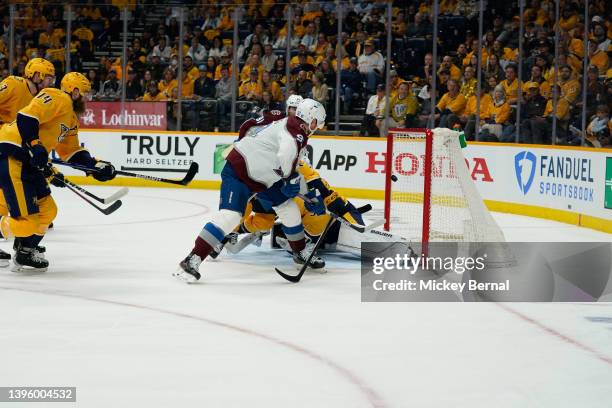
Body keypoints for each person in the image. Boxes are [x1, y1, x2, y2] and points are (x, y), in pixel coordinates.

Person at [175, 99, 327, 283]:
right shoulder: (293, 132)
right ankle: (192, 258)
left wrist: (308, 195)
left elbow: (293, 166)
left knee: (289, 209)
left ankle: (300, 251)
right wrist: (289, 180)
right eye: (317, 122)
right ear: (309, 118)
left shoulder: (297, 130)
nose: (317, 127)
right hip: (240, 171)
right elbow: (286, 155)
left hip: (264, 178)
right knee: (230, 216)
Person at [0, 72, 116, 272]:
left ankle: (25, 252)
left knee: (48, 212)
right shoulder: (57, 96)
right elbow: (26, 117)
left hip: (29, 162)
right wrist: (35, 144)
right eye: (86, 94)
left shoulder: (71, 118)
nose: (88, 99)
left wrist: (95, 167)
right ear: (75, 90)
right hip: (14, 154)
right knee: (27, 223)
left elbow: (70, 152)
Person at [0, 58, 56, 125]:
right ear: (37, 76)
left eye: (52, 80)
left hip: (15, 133)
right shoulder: (14, 83)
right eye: (49, 79)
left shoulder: (40, 98)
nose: (51, 83)